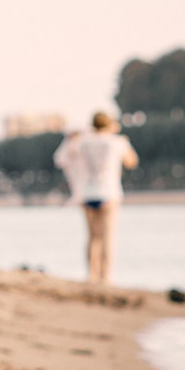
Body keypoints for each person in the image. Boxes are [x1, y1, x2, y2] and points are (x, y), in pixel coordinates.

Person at [56, 106, 140, 285]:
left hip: (86, 193)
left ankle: (91, 276)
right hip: (109, 193)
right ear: (110, 124)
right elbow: (131, 161)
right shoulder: (117, 141)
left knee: (92, 237)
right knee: (107, 238)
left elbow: (62, 158)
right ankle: (106, 277)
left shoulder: (81, 142)